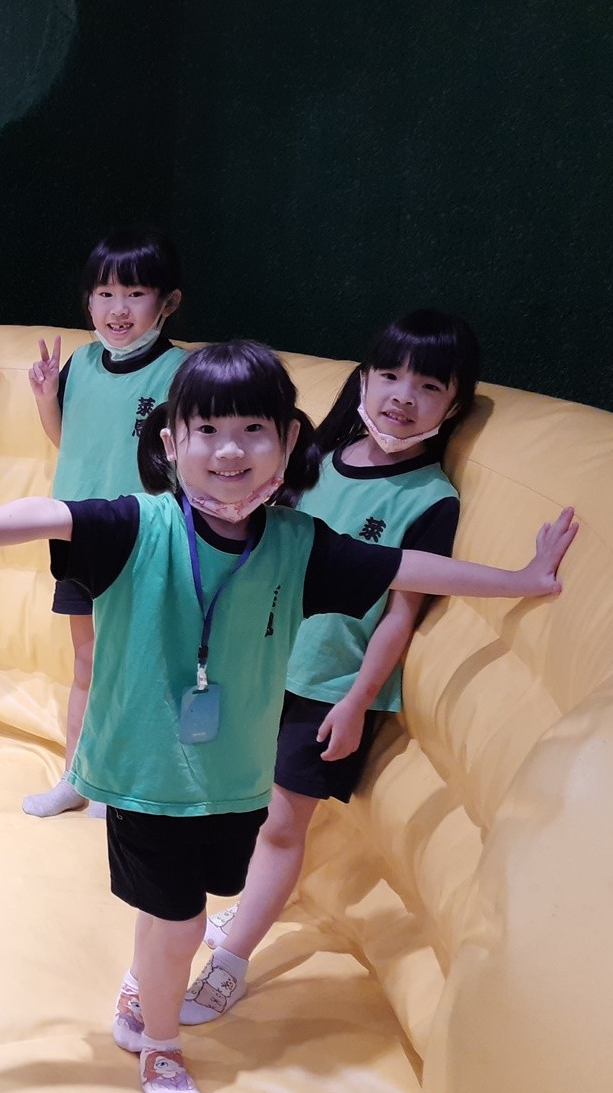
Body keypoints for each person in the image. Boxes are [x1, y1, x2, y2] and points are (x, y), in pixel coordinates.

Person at [0, 339, 575, 1093]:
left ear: (289, 441)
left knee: (179, 906)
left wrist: (521, 580)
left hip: (234, 778)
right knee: (182, 919)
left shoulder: (298, 545)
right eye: (206, 430)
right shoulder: (139, 524)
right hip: (144, 772)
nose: (229, 450)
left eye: (251, 430)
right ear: (172, 444)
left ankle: (144, 984)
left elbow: (407, 569)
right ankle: (161, 1042)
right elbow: (50, 515)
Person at [182, 310, 480, 1025]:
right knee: (247, 807)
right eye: (390, 375)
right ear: (364, 379)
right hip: (261, 664)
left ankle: (231, 963)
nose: (403, 396)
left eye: (428, 386)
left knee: (284, 827)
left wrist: (356, 702)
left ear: (454, 405)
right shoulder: (316, 458)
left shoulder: (432, 500)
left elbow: (402, 614)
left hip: (327, 690)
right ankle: (246, 910)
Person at [24, 228, 188, 817]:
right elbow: (70, 443)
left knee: (138, 667)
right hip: (77, 531)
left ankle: (123, 784)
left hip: (142, 539)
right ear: (88, 301)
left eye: (135, 294)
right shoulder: (82, 362)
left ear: (167, 303)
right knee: (88, 661)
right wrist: (46, 397)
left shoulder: (181, 373)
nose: (119, 309)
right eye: (105, 294)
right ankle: (78, 777)